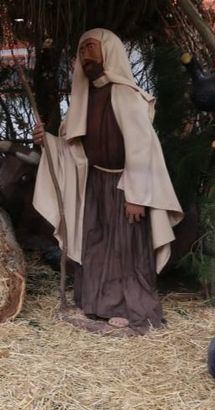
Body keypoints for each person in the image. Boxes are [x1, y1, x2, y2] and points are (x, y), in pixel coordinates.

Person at [32, 28, 183, 335]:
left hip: (125, 187)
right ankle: (97, 305)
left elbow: (142, 148)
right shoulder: (86, 99)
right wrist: (47, 141)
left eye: (91, 47)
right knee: (96, 242)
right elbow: (74, 149)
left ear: (109, 52)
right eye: (81, 49)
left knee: (125, 247)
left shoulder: (125, 95)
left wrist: (137, 194)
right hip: (95, 184)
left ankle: (129, 306)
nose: (84, 54)